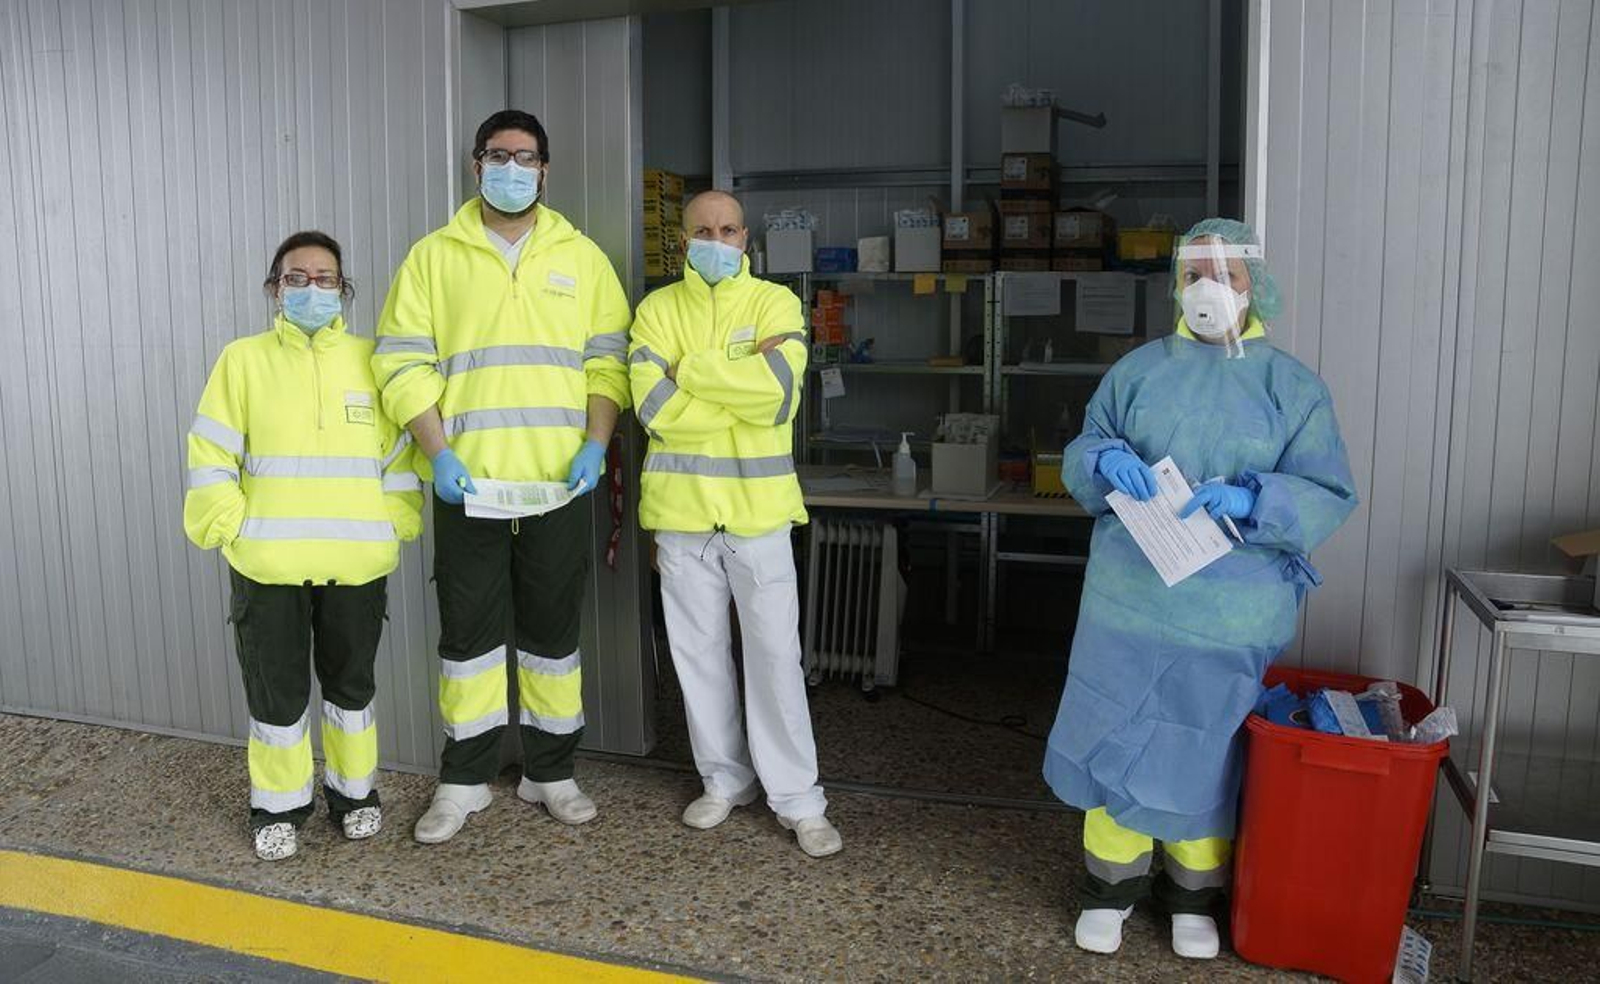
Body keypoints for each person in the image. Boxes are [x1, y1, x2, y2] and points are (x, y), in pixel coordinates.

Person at [1044, 218, 1358, 958]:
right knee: (1115, 735)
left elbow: (1328, 490)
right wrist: (1102, 461)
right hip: (1129, 599)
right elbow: (1084, 448)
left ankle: (1192, 898)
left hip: (1230, 612)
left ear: (1255, 287)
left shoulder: (1291, 388)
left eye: (1226, 276)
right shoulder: (1138, 373)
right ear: (1176, 286)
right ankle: (1110, 891)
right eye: (1193, 276)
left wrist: (1256, 500)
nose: (1208, 289)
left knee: (1205, 751)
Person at [373, 110, 632, 844]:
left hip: (558, 486)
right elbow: (400, 363)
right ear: (475, 164)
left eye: (525, 157)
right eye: (498, 155)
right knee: (469, 638)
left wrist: (596, 444)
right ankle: (463, 780)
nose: (511, 168)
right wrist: (438, 453)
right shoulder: (432, 258)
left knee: (554, 634)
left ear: (545, 169)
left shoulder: (582, 258)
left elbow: (609, 361)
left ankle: (551, 772)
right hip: (470, 487)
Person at [184, 231, 423, 861]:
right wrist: (233, 528)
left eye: (325, 279)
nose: (311, 289)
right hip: (268, 566)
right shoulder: (242, 361)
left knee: (352, 689)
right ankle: (277, 806)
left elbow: (399, 456)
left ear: (343, 290)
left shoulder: (370, 361)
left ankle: (355, 795)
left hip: (355, 564)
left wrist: (395, 522)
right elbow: (210, 453)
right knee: (277, 694)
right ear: (275, 288)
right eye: (297, 278)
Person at [627, 190, 841, 859]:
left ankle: (798, 799)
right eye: (702, 231)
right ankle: (724, 780)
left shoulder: (776, 304)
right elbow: (654, 408)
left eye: (727, 230)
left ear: (745, 239)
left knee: (775, 659)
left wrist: (688, 370)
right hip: (683, 519)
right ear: (682, 241)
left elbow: (777, 396)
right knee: (698, 659)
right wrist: (733, 384)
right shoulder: (656, 310)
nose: (715, 241)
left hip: (758, 518)